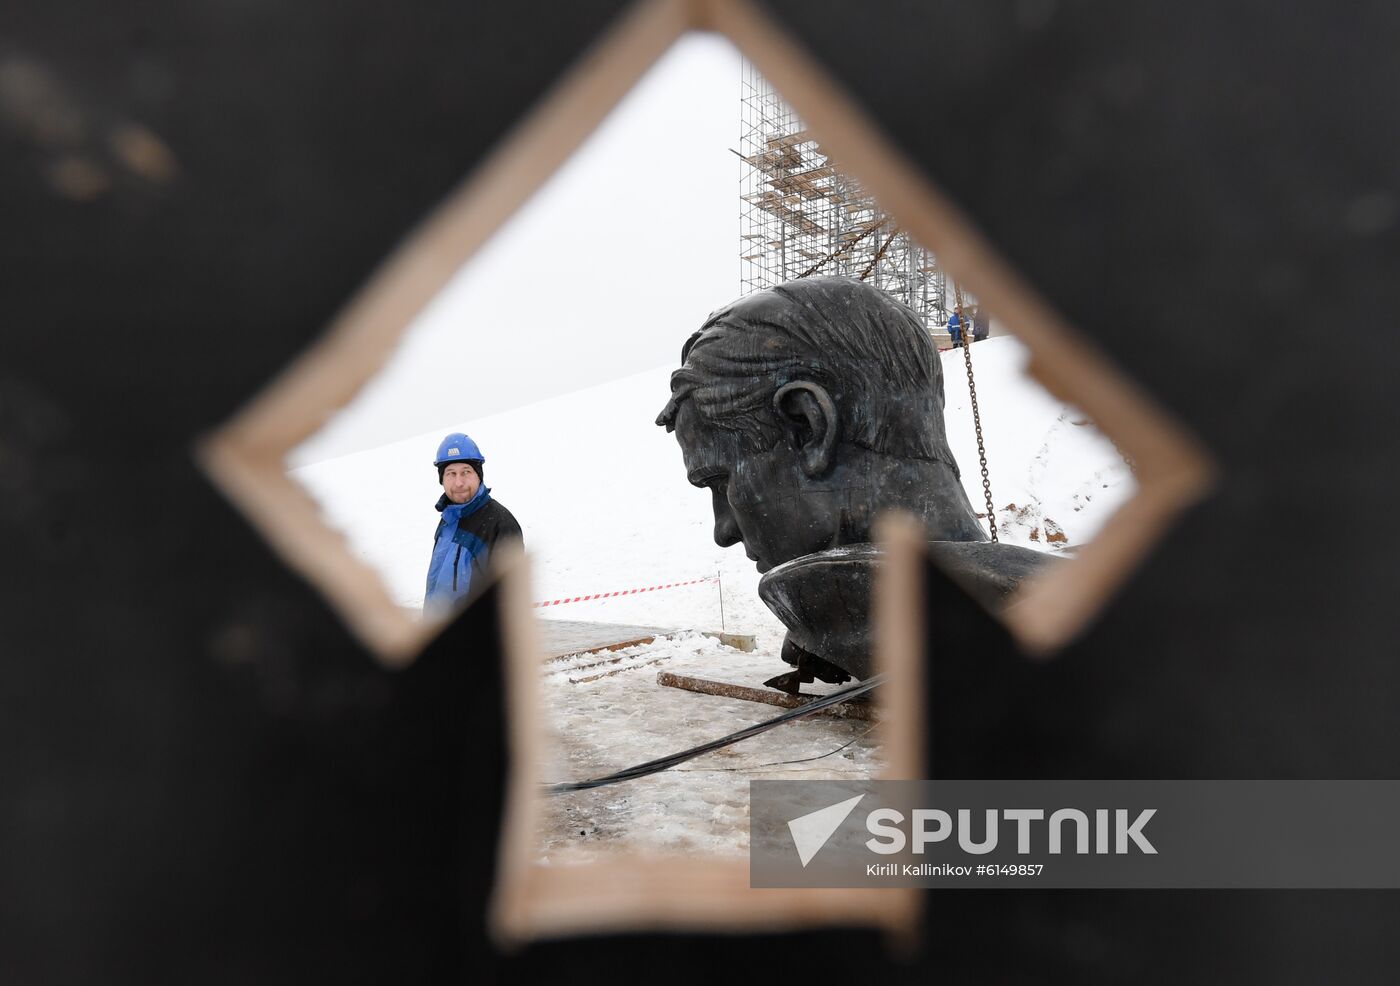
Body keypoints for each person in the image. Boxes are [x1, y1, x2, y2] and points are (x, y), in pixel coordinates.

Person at [423, 432, 522, 614]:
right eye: (451, 474)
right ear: (442, 479)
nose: (458, 482)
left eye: (466, 472)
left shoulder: (500, 524)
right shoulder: (447, 522)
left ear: (479, 475)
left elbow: (509, 602)